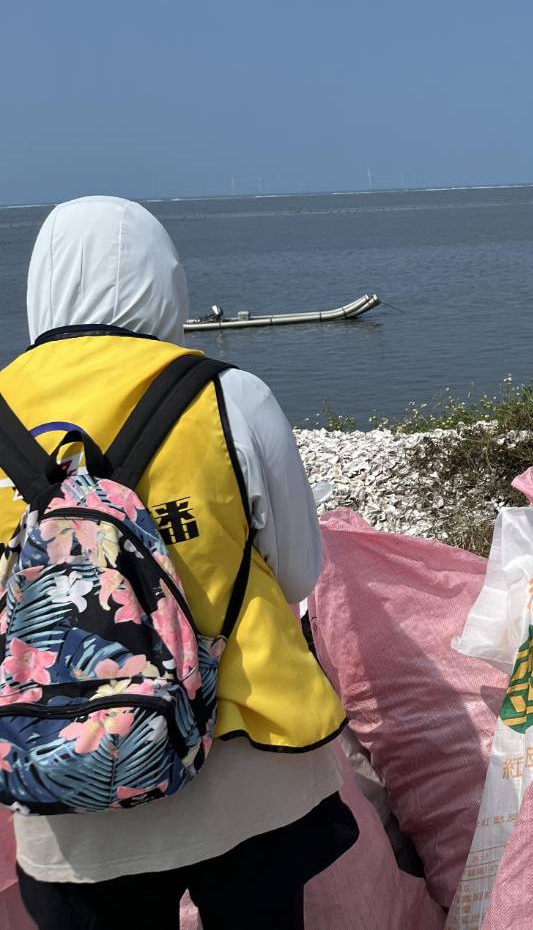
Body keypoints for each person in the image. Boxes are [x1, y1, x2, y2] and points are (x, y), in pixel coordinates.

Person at [1, 198, 354, 928]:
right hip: (243, 753)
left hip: (66, 760)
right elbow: (295, 572)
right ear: (170, 285)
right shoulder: (230, 395)